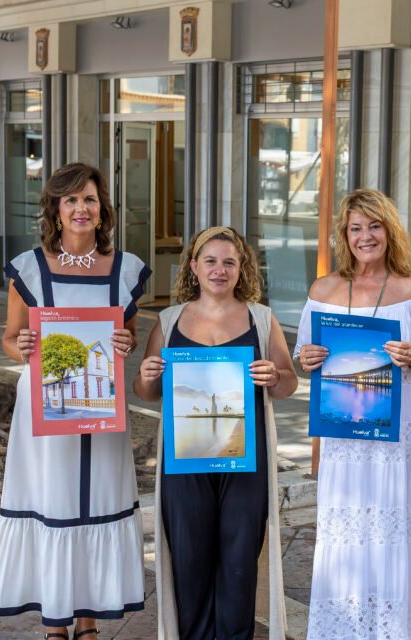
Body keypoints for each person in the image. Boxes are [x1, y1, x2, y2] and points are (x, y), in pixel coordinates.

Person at [0, 163, 151, 640]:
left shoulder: (127, 268)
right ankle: (56, 622)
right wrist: (19, 349)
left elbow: (131, 337)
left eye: (90, 200)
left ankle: (88, 622)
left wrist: (125, 345)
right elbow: (9, 336)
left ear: (103, 212)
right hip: (47, 402)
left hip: (102, 400)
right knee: (53, 499)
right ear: (55, 210)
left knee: (98, 496)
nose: (82, 208)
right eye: (71, 200)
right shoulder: (29, 267)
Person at [295, 189, 411, 638]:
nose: (366, 236)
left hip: (397, 435)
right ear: (345, 234)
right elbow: (305, 357)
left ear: (389, 230)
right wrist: (309, 359)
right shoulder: (323, 289)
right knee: (346, 536)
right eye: (356, 227)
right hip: (342, 435)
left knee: (393, 529)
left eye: (374, 226)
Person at [134, 226, 299, 640]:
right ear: (193, 266)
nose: (220, 269)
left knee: (240, 557)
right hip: (185, 460)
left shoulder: (261, 319)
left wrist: (274, 374)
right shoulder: (169, 321)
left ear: (241, 269)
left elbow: (288, 383)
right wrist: (147, 374)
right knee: (189, 560)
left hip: (246, 457)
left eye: (229, 261)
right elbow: (148, 393)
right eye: (210, 260)